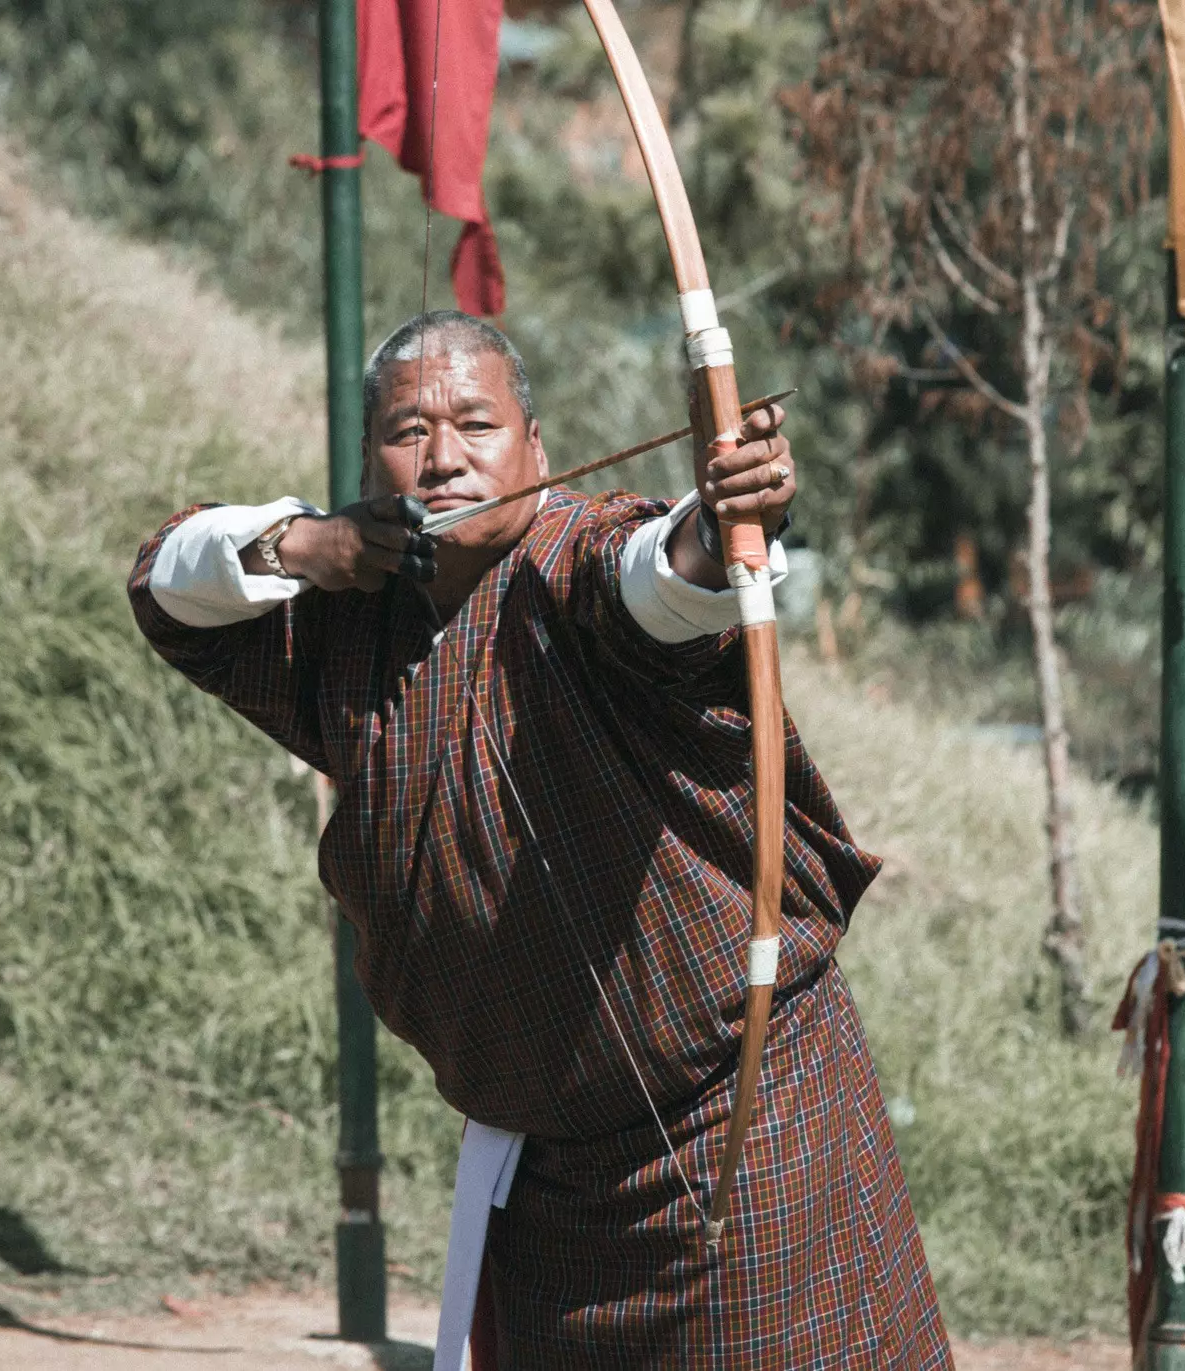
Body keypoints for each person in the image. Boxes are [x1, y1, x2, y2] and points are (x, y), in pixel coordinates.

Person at [128, 310, 951, 1368]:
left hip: (743, 1128)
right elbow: (165, 588)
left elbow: (661, 581)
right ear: (368, 457)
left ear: (537, 451)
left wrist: (722, 521)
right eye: (406, 431)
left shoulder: (578, 556)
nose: (442, 458)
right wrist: (306, 543)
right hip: (549, 1175)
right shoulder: (341, 614)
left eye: (475, 423)